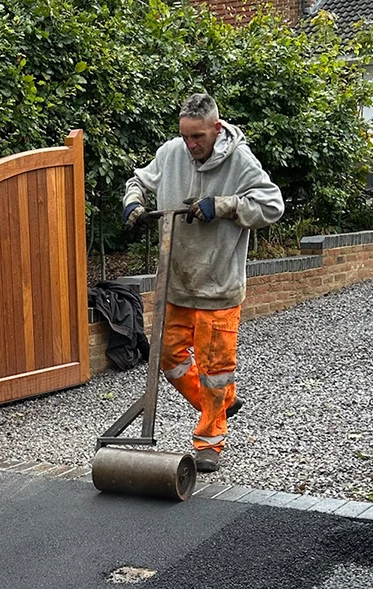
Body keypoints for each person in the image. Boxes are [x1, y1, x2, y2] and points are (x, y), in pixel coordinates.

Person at [122, 93, 284, 473]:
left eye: (198, 137)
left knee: (215, 369)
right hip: (175, 280)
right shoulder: (171, 152)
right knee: (167, 356)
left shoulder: (240, 161)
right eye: (186, 137)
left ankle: (210, 440)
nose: (191, 145)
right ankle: (221, 403)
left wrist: (225, 205)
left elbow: (272, 205)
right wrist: (133, 202)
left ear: (216, 127)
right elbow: (138, 180)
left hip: (218, 284)